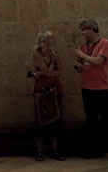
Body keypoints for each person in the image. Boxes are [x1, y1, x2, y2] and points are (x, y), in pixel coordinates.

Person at [73, 19, 108, 162]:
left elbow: (98, 61)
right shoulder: (83, 45)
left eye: (84, 30)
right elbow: (81, 65)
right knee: (91, 120)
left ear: (92, 29)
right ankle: (94, 150)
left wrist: (80, 55)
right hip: (86, 87)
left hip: (100, 88)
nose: (82, 34)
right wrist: (77, 66)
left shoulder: (104, 43)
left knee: (107, 121)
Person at [30, 30, 63, 161]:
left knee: (57, 121)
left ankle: (55, 150)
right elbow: (44, 72)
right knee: (40, 122)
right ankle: (40, 151)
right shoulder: (37, 54)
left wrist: (47, 72)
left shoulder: (54, 54)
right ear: (43, 41)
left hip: (55, 88)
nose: (52, 42)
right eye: (49, 40)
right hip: (41, 90)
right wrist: (52, 66)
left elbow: (60, 72)